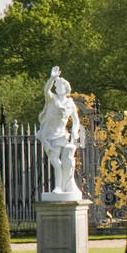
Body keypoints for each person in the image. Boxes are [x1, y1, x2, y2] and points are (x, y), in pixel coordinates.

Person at [36, 66, 84, 197]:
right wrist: (52, 78)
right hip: (49, 134)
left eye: (59, 86)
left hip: (61, 134)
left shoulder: (70, 103)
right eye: (56, 86)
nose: (57, 88)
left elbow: (76, 120)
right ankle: (59, 186)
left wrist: (75, 131)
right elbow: (46, 90)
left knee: (67, 159)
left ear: (65, 88)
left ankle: (64, 185)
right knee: (55, 160)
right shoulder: (52, 99)